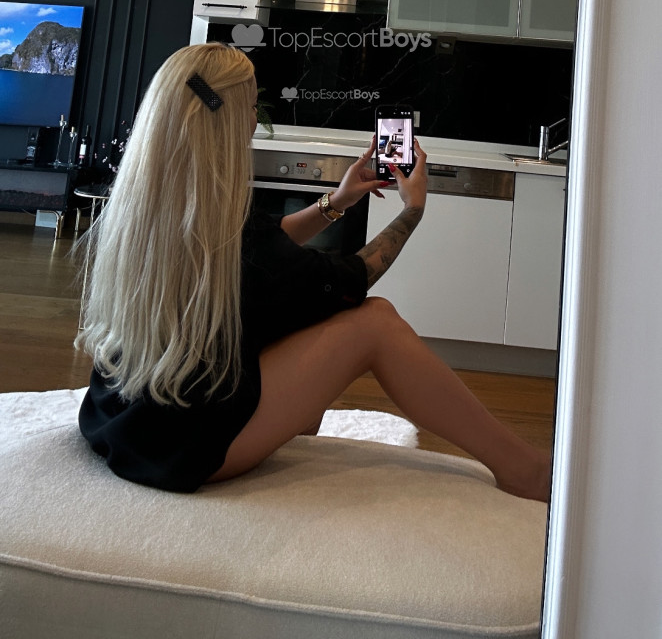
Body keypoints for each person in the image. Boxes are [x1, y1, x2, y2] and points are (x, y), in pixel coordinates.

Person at [76, 42, 550, 500]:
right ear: (231, 121)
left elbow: (259, 247)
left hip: (119, 419)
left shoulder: (145, 207)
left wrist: (337, 202)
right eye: (252, 107)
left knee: (298, 313)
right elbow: (351, 279)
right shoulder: (241, 239)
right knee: (376, 323)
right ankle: (523, 469)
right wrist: (413, 210)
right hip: (182, 448)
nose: (255, 119)